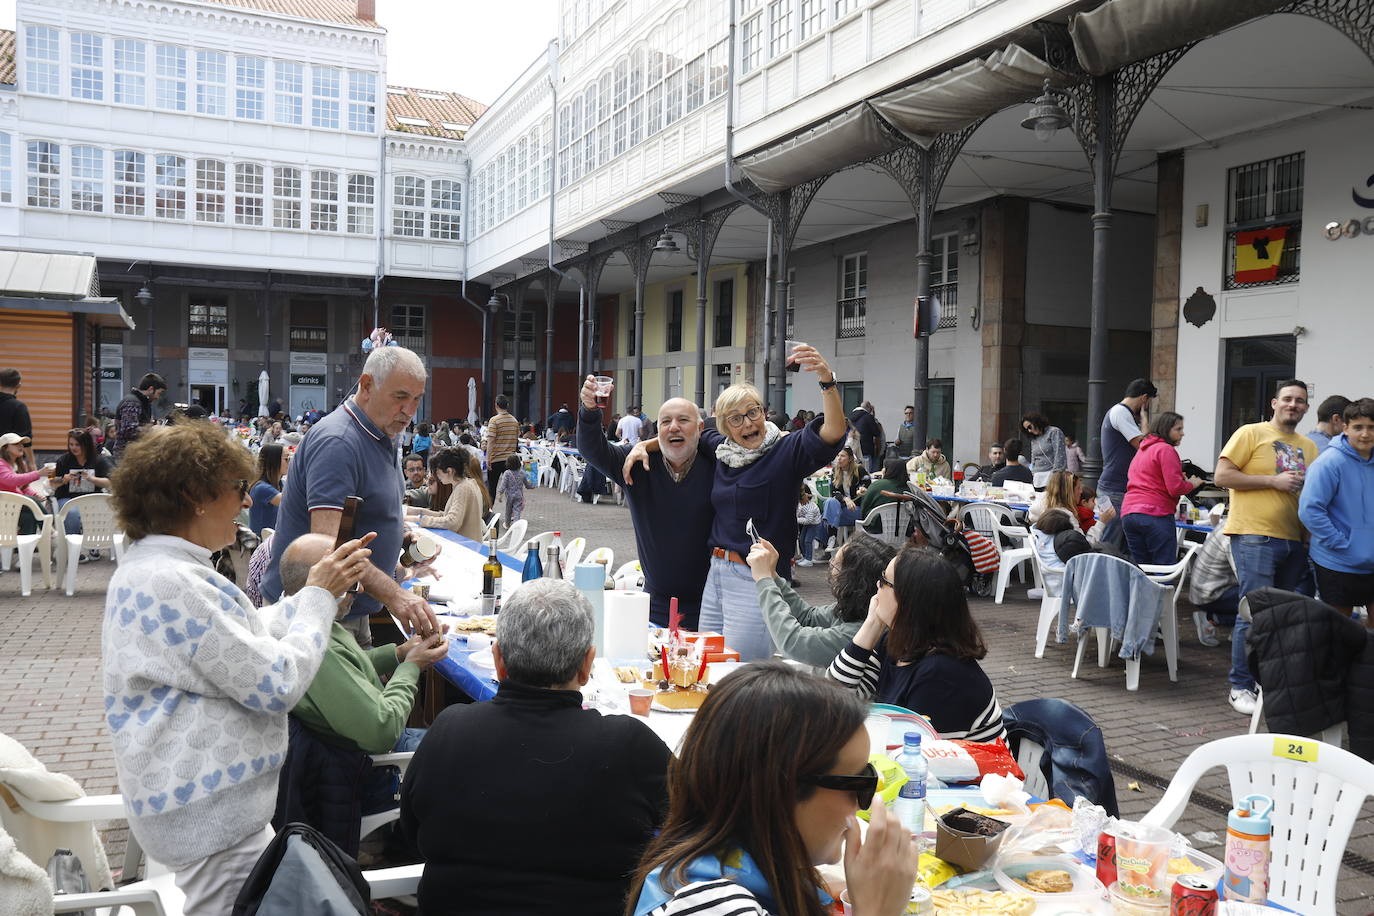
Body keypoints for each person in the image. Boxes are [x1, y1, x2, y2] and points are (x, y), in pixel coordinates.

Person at [103, 420, 374, 916]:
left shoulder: (157, 570)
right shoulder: (175, 583)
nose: (247, 502)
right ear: (194, 495)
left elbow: (245, 635)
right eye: (238, 489)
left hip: (204, 811)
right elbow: (277, 683)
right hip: (213, 821)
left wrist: (315, 590)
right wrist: (316, 597)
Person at [400, 579, 672, 916]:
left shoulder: (448, 730)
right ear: (587, 664)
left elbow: (412, 835)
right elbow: (698, 828)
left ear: (498, 659)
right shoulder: (629, 745)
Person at [628, 661, 918, 916]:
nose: (862, 805)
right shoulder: (713, 904)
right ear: (781, 790)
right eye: (859, 783)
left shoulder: (749, 869)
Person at [260, 346, 439, 650]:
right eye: (400, 397)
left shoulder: (380, 434)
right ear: (367, 385)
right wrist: (396, 596)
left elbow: (369, 512)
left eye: (417, 399)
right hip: (315, 616)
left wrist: (402, 537)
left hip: (347, 610)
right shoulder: (338, 443)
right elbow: (329, 549)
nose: (410, 411)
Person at [274, 533, 447, 846]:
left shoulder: (301, 619)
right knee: (476, 757)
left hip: (357, 751)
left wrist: (397, 654)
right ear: (323, 583)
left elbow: (347, 669)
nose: (362, 590)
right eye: (353, 581)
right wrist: (412, 668)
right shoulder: (318, 642)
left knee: (462, 731)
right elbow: (381, 731)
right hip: (373, 770)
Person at [828, 547, 1006, 741]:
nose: (877, 585)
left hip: (966, 769)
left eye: (885, 581)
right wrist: (872, 624)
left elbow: (920, 756)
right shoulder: (895, 643)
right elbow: (833, 699)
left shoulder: (943, 675)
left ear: (908, 600)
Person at [1215, 378, 1316, 715]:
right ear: (1274, 403)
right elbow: (1222, 477)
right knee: (1255, 612)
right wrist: (1272, 481)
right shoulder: (1251, 433)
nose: (1293, 405)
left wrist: (1307, 536)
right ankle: (1240, 684)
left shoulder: (1309, 447)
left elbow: (1309, 498)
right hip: (1254, 535)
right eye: (1288, 399)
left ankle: (1265, 679)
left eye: (1300, 401)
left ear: (1305, 407)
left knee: (1282, 616)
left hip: (1293, 540)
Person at [579, 380, 714, 628]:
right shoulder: (636, 464)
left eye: (683, 420)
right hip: (655, 605)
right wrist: (589, 411)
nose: (674, 427)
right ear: (657, 429)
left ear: (700, 428)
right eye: (665, 422)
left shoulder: (719, 465)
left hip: (711, 606)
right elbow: (593, 450)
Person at [747, 536, 896, 669]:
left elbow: (793, 642)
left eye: (836, 565)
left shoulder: (861, 631)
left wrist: (764, 580)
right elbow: (808, 617)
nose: (830, 568)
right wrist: (773, 575)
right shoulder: (859, 608)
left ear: (852, 581)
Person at [1300, 397, 1374, 625]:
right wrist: (1342, 543)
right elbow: (1309, 510)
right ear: (1345, 428)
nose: (1365, 434)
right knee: (1339, 632)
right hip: (1337, 560)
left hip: (1371, 560)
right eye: (1358, 427)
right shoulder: (1329, 462)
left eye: (1371, 427)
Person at [1121, 412, 1204, 566]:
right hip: (1155, 513)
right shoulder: (1166, 449)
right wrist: (1192, 483)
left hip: (1129, 513)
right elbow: (1175, 488)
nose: (1182, 433)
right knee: (1163, 567)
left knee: (1140, 568)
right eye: (1178, 429)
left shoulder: (1143, 449)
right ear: (1166, 429)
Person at [1099, 379, 1157, 546]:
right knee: (1111, 543)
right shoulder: (1121, 413)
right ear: (1144, 398)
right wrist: (1145, 418)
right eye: (1148, 403)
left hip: (1115, 487)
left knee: (1120, 543)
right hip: (1115, 488)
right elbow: (1143, 446)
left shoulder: (1121, 413)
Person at [406, 446, 486, 541]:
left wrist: (420, 520)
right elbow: (447, 516)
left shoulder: (463, 488)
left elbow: (451, 522)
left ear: (449, 471)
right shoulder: (465, 484)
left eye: (438, 471)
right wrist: (415, 512)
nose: (437, 476)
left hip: (465, 547)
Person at [52, 427, 114, 546]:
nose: (73, 448)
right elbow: (51, 481)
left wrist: (91, 479)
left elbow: (110, 481)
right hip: (67, 497)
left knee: (100, 510)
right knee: (72, 513)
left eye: (77, 445)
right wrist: (63, 480)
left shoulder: (98, 460)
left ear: (86, 445)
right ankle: (72, 546)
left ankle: (95, 545)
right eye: (71, 444)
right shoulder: (63, 460)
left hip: (92, 497)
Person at [0, 432, 56, 534]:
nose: (21, 446)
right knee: (31, 501)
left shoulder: (20, 464)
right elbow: (12, 480)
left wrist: (34, 494)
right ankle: (49, 530)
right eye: (16, 443)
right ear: (5, 448)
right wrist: (38, 473)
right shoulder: (0, 464)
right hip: (3, 506)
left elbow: (22, 487)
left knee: (28, 518)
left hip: (13, 505)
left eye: (21, 443)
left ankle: (26, 547)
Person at [114, 372, 168, 458]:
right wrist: (153, 429)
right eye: (159, 393)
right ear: (151, 389)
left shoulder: (140, 402)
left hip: (133, 454)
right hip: (127, 456)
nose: (158, 397)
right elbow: (129, 430)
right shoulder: (132, 402)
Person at [821, 446, 870, 532]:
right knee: (830, 502)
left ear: (850, 458)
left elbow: (867, 483)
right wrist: (845, 499)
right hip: (841, 508)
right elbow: (834, 493)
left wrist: (862, 489)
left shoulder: (859, 469)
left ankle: (830, 537)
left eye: (842, 456)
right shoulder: (835, 470)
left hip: (855, 509)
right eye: (838, 455)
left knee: (824, 516)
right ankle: (831, 538)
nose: (839, 458)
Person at [483, 394, 521, 501]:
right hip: (510, 459)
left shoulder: (494, 420)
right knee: (512, 488)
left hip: (495, 458)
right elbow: (516, 438)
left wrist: (488, 458)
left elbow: (491, 441)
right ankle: (513, 514)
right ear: (507, 405)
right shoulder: (514, 421)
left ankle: (489, 512)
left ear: (496, 405)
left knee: (492, 487)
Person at [857, 458, 910, 534]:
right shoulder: (909, 488)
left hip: (876, 527)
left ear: (888, 470)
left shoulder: (877, 485)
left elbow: (864, 507)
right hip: (903, 529)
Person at [247, 443, 288, 536]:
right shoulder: (261, 488)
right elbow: (292, 503)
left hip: (274, 538)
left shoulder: (281, 484)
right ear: (274, 461)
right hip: (262, 543)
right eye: (286, 459)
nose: (289, 462)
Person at [1021, 412, 1067, 489]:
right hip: (1037, 478)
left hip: (1051, 476)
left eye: (1029, 427)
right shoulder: (1034, 439)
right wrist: (1032, 473)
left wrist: (1056, 475)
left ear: (1036, 422)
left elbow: (1059, 455)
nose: (1029, 431)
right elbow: (1033, 458)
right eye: (1027, 429)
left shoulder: (1054, 432)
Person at [0, 368, 34, 469]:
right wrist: (32, 463)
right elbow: (26, 438)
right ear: (18, 385)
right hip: (8, 461)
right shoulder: (19, 407)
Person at [495, 454, 532, 529]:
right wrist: (531, 486)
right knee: (517, 511)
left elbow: (503, 485)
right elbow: (527, 484)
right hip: (519, 495)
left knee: (508, 510)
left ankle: (507, 524)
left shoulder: (507, 473)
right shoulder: (522, 472)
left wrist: (500, 494)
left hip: (509, 496)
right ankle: (516, 525)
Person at [795, 485, 825, 566]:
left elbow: (808, 520)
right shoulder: (801, 505)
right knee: (801, 539)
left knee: (808, 541)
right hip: (808, 524)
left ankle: (809, 559)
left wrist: (796, 520)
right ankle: (804, 556)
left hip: (814, 525)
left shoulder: (811, 508)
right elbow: (799, 513)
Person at [848, 403, 882, 472]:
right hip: (866, 451)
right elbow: (877, 433)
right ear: (869, 409)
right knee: (867, 474)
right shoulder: (868, 417)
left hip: (852, 453)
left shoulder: (849, 417)